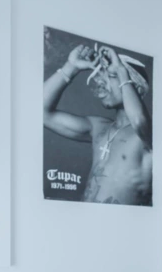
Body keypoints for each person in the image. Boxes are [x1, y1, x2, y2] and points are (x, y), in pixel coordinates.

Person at [43, 43, 152, 205]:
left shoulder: (149, 135)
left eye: (112, 76)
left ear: (137, 88)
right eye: (103, 75)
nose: (102, 82)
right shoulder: (98, 127)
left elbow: (138, 121)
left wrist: (121, 71)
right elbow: (42, 113)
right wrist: (70, 67)